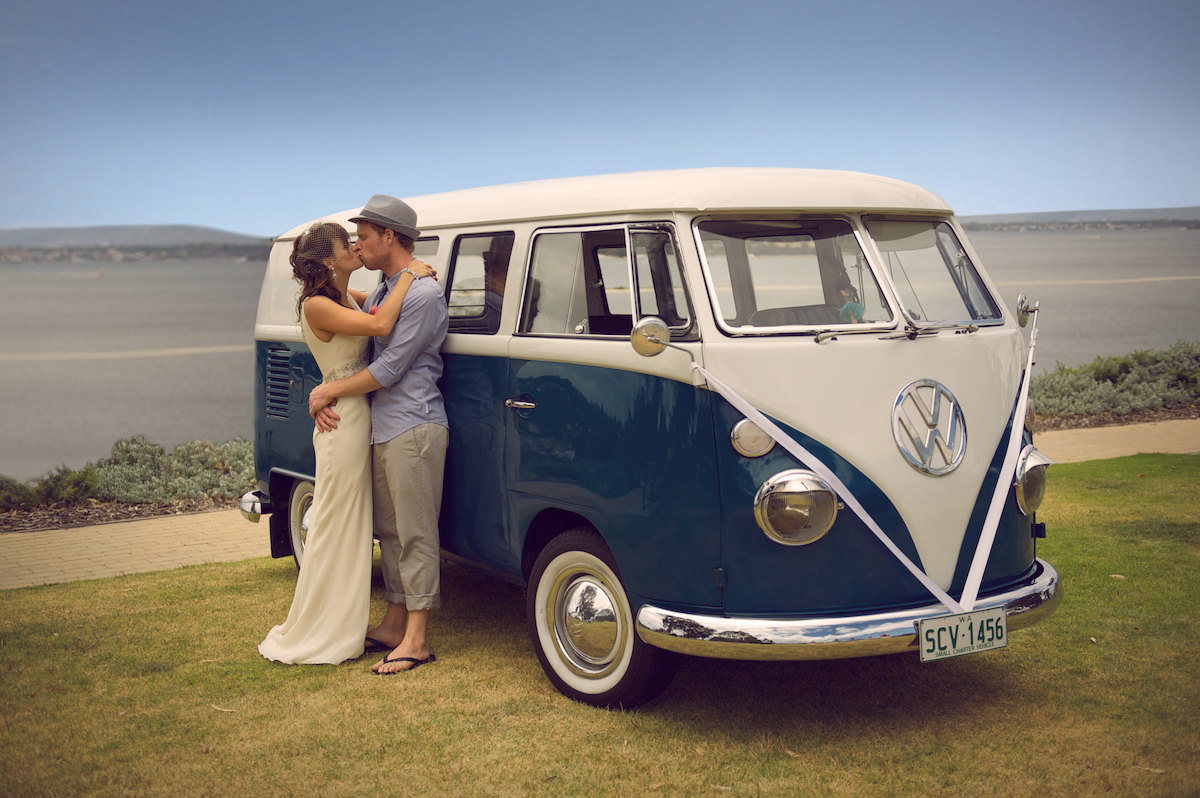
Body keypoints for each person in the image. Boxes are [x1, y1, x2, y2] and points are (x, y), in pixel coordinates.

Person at [259, 221, 433, 665]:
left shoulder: (343, 296)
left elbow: (375, 304)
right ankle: (323, 627)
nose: (356, 247)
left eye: (359, 240)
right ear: (327, 261)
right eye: (347, 245)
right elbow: (379, 322)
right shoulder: (318, 305)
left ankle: (345, 621)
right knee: (336, 523)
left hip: (354, 413)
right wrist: (411, 273)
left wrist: (400, 280)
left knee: (354, 524)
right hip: (343, 421)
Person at [307, 195, 450, 675]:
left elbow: (388, 368)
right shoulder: (390, 285)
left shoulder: (423, 294)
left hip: (413, 422)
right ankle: (392, 622)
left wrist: (328, 391)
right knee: (390, 532)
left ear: (389, 237)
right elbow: (357, 320)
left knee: (415, 532)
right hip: (384, 426)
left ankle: (416, 637)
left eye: (364, 236)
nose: (358, 245)